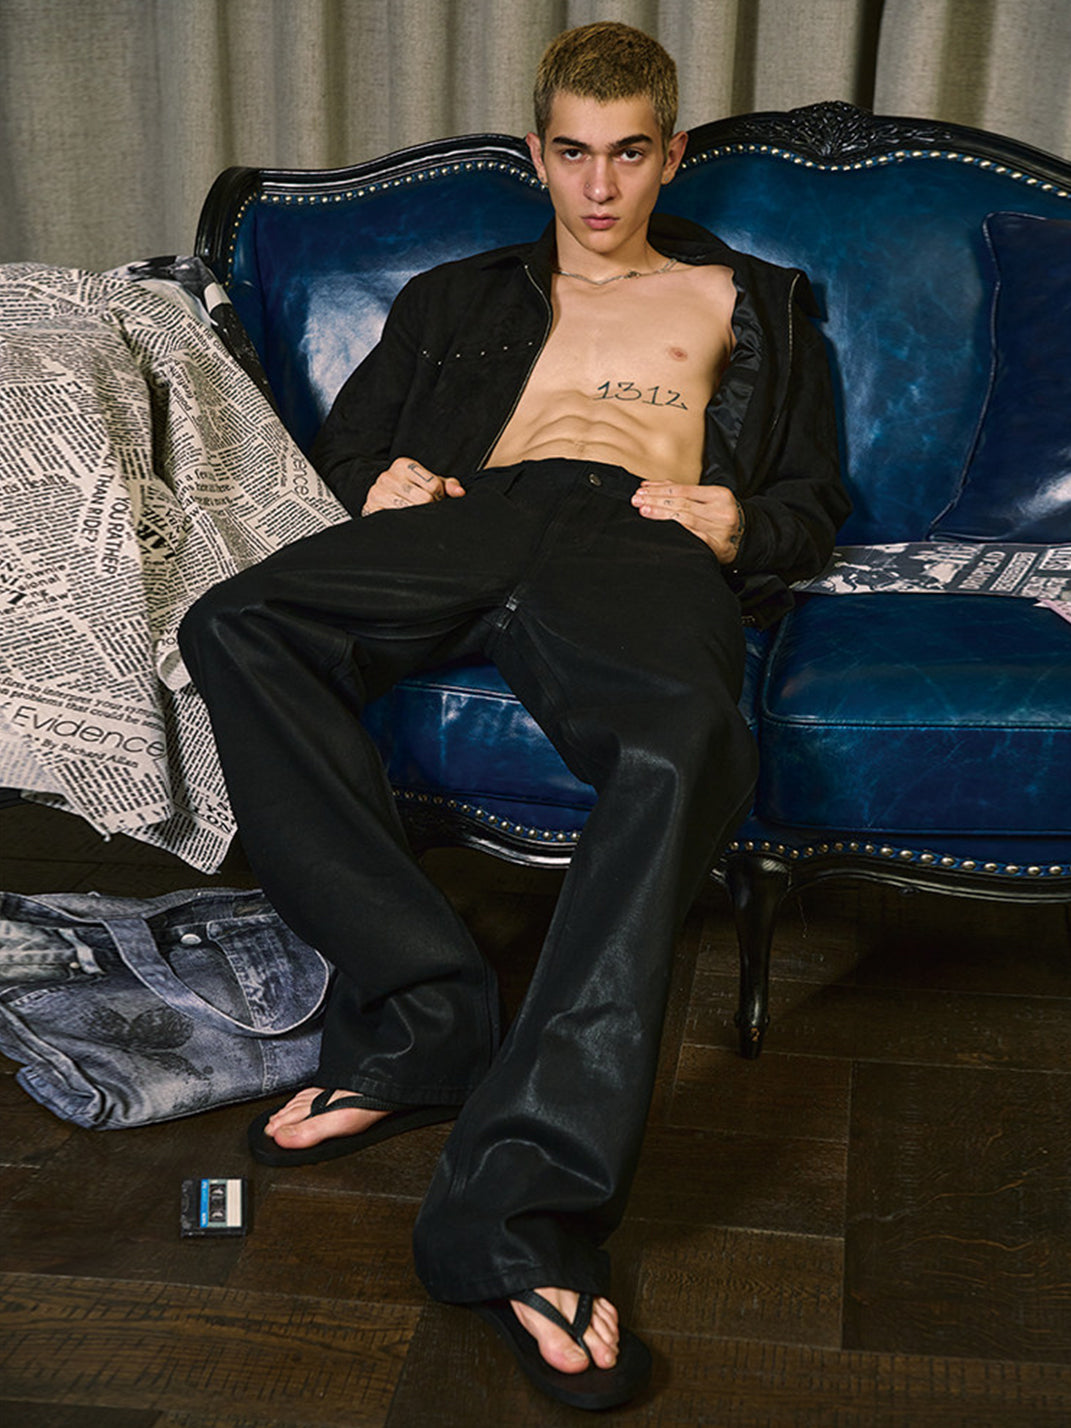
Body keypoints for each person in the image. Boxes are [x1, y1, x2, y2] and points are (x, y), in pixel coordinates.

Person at [178, 20, 850, 1412]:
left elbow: (811, 498)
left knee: (684, 744)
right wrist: (377, 482)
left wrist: (740, 522)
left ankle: (522, 1201)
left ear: (670, 154)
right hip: (473, 517)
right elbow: (351, 443)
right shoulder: (455, 296)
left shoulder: (762, 302)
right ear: (536, 154)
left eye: (629, 155)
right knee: (236, 624)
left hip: (641, 540)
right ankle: (424, 1015)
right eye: (573, 154)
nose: (599, 188)